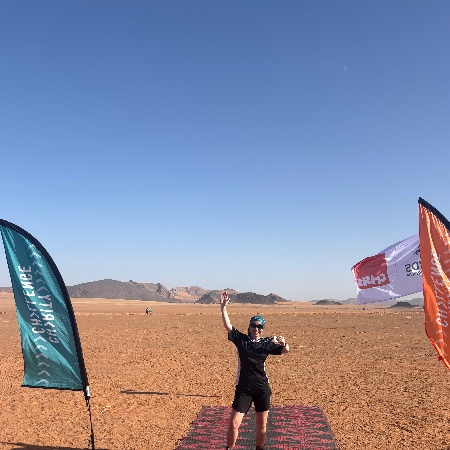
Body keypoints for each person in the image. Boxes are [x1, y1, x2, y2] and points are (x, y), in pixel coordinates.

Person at [220, 291, 290, 450]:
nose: (256, 329)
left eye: (259, 326)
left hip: (261, 388)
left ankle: (259, 447)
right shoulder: (242, 340)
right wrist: (223, 307)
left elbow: (286, 350)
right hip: (244, 389)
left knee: (262, 424)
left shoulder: (266, 344)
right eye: (253, 325)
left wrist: (284, 343)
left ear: (262, 329)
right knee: (234, 423)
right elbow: (228, 326)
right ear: (249, 326)